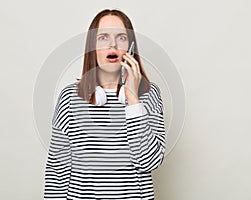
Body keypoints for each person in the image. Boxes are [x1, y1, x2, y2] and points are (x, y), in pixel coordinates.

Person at [44, 9, 166, 200]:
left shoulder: (149, 94)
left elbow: (149, 162)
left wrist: (133, 99)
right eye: (103, 37)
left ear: (131, 47)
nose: (113, 45)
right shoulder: (70, 97)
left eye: (121, 37)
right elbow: (57, 173)